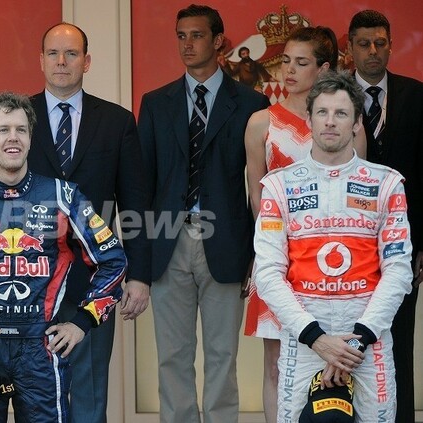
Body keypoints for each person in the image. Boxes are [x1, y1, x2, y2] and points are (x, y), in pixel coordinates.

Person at [0, 91, 127, 423]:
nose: (13, 138)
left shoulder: (63, 196)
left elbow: (113, 260)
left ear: (31, 139)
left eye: (21, 130)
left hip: (41, 349)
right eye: (3, 130)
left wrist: (82, 322)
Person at [253, 70, 412, 422]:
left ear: (356, 123)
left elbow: (399, 271)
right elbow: (267, 274)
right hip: (304, 338)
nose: (330, 121)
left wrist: (358, 340)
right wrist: (316, 338)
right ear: (308, 119)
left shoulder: (386, 184)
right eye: (322, 112)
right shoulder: (279, 186)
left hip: (368, 337)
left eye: (341, 113)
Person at [137, 5, 269, 422]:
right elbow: (143, 184)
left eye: (196, 35)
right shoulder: (155, 103)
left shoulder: (251, 103)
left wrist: (259, 252)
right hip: (168, 242)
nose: (187, 44)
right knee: (172, 355)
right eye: (181, 36)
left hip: (227, 242)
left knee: (222, 355)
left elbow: (262, 187)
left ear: (218, 41)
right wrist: (140, 253)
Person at [27, 22, 151, 423]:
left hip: (93, 277)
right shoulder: (17, 116)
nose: (62, 62)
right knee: (33, 395)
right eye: (53, 53)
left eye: (72, 53)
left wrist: (139, 276)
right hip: (26, 277)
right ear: (41, 60)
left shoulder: (116, 121)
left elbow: (134, 204)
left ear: (87, 61)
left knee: (89, 393)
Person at [243, 25, 363, 423]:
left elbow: (358, 198)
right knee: (277, 364)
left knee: (339, 359)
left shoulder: (343, 123)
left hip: (335, 264)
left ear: (324, 68)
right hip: (279, 261)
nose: (289, 70)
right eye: (285, 62)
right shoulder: (261, 122)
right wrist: (266, 256)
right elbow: (257, 197)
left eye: (301, 62)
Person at [347, 10, 423, 423]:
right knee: (346, 339)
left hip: (403, 243)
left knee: (400, 339)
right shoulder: (335, 95)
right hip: (343, 242)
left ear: (391, 45)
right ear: (350, 48)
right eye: (364, 43)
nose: (373, 51)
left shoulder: (416, 95)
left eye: (380, 43)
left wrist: (422, 244)